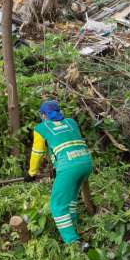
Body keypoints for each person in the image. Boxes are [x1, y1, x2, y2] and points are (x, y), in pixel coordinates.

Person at [27, 100, 94, 245]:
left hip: (69, 167)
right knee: (70, 200)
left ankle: (73, 243)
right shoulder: (71, 122)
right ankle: (75, 228)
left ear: (43, 115)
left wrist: (32, 173)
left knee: (57, 205)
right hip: (86, 163)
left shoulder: (41, 128)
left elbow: (37, 153)